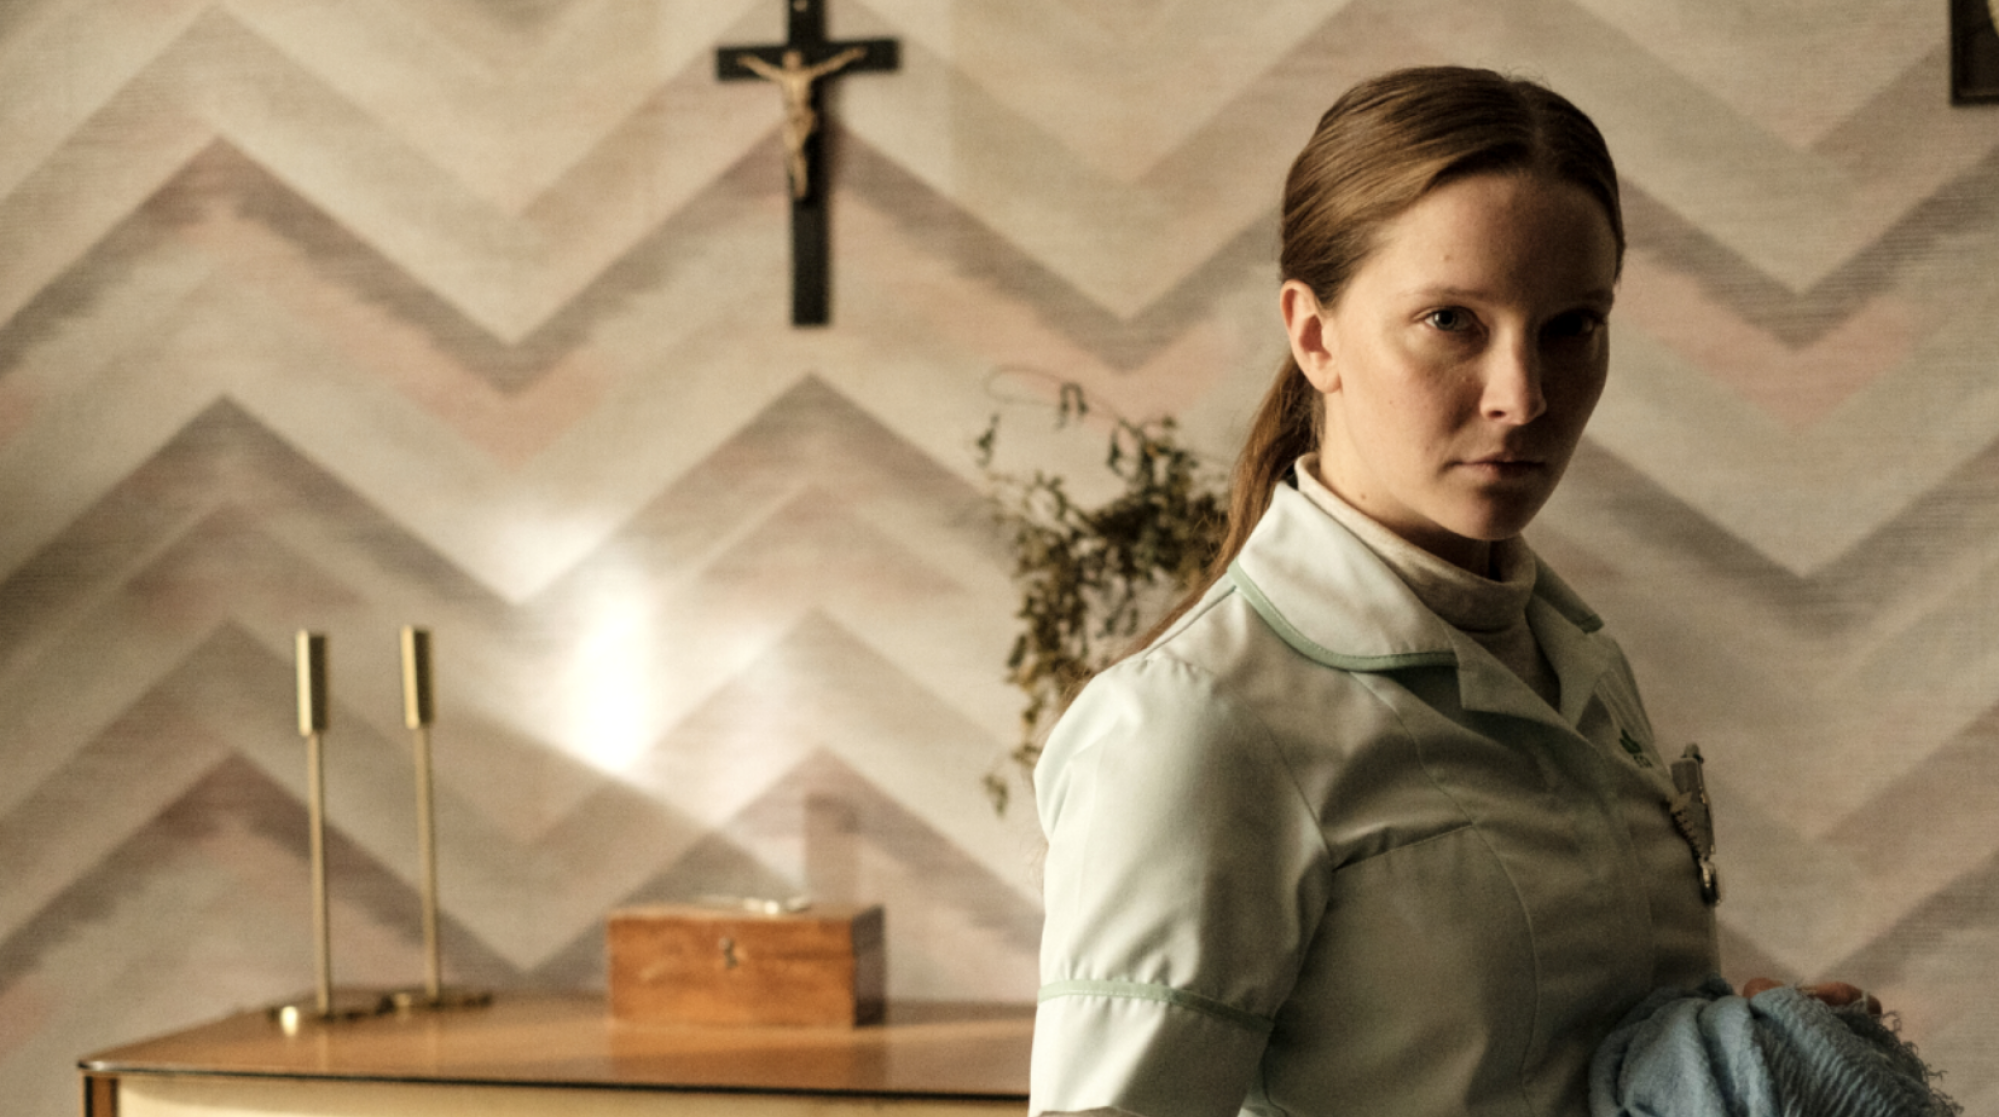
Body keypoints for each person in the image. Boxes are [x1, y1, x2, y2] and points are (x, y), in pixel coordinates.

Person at [1029, 66, 1716, 1117]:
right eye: (1450, 319)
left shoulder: (1578, 660)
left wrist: (1738, 1059)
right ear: (1314, 335)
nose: (1522, 395)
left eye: (1572, 325)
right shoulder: (1192, 726)